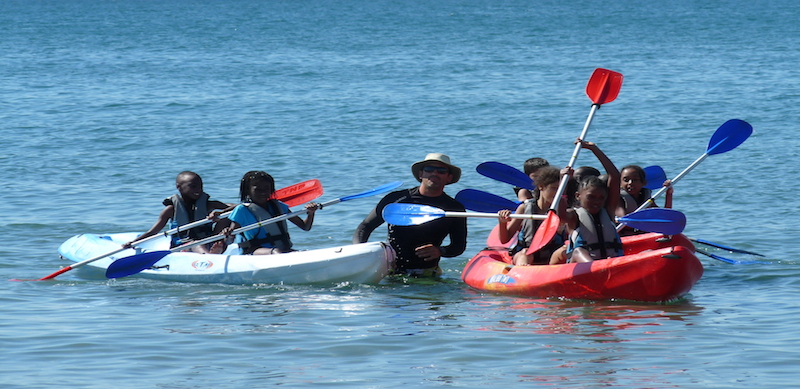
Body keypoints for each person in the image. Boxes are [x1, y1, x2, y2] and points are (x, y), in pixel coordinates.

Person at [352, 153, 468, 277]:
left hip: (426, 273)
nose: (434, 173)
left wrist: (440, 251)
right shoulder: (397, 199)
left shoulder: (454, 208)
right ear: (421, 174)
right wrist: (361, 253)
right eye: (429, 169)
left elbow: (458, 246)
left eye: (441, 170)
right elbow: (365, 226)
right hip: (389, 270)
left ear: (449, 178)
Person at [125, 171, 232, 254]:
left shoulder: (210, 205)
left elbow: (239, 207)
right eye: (193, 186)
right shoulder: (171, 210)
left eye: (201, 186)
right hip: (183, 248)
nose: (199, 189)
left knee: (226, 217)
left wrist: (221, 212)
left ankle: (215, 249)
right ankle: (210, 257)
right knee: (195, 244)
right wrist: (133, 242)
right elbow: (153, 232)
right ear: (178, 187)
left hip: (208, 243)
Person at [222, 171, 320, 255]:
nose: (263, 192)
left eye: (266, 189)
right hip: (254, 251)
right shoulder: (241, 210)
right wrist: (228, 234)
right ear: (248, 191)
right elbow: (229, 241)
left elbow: (305, 227)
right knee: (276, 252)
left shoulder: (279, 206)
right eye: (258, 190)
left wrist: (310, 213)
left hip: (282, 250)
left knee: (298, 253)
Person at [559, 140, 623, 263]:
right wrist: (563, 182)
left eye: (601, 198)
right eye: (591, 197)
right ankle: (598, 270)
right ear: (578, 196)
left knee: (648, 252)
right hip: (583, 268)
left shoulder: (608, 210)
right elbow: (560, 213)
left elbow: (614, 176)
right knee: (578, 251)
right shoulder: (573, 216)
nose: (596, 202)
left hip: (610, 263)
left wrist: (594, 149)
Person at [497, 166, 565, 266]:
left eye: (560, 189)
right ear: (541, 186)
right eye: (553, 188)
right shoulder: (524, 208)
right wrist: (502, 223)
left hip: (552, 255)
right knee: (525, 253)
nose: (557, 193)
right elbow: (505, 239)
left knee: (564, 250)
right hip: (527, 253)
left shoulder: (562, 209)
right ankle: (523, 271)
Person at [616, 165, 673, 236]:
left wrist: (668, 194)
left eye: (635, 180)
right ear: (620, 183)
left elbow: (664, 217)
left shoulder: (645, 197)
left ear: (644, 183)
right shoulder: (617, 199)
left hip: (641, 235)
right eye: (626, 180)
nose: (630, 183)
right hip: (624, 236)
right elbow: (625, 222)